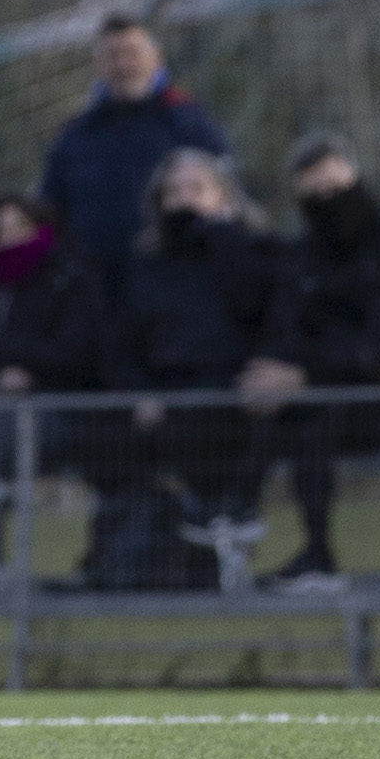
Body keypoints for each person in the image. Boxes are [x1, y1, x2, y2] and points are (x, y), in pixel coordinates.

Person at [242, 135, 380, 592]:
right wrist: (268, 377)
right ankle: (230, 531)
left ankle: (319, 553)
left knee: (315, 416)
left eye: (335, 188)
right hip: (329, 401)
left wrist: (305, 377)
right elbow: (288, 330)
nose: (328, 202)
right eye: (314, 193)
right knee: (248, 418)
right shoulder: (303, 257)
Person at [100, 148, 282, 591]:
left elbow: (264, 314)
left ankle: (223, 527)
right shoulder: (144, 267)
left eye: (197, 189)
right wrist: (139, 393)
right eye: (174, 192)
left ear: (224, 198)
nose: (185, 200)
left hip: (237, 399)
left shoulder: (257, 253)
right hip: (166, 401)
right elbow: (119, 347)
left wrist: (224, 240)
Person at [0, 194, 107, 566]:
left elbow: (76, 353)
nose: (8, 238)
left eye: (19, 227)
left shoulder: (68, 279)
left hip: (48, 409)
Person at [38, 14, 229, 292]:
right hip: (95, 290)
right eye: (113, 56)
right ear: (99, 65)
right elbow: (49, 211)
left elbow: (229, 198)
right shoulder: (75, 136)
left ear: (157, 58)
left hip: (174, 287)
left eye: (132, 53)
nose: (123, 64)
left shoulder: (190, 124)